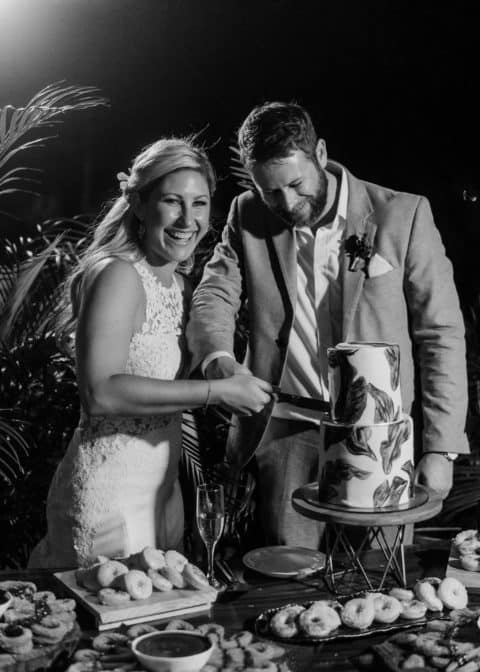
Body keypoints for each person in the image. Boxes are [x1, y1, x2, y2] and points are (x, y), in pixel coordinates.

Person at [186, 102, 469, 549]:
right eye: (270, 191)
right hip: (286, 431)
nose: (286, 203)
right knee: (288, 577)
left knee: (378, 575)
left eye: (296, 185)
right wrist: (219, 361)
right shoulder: (248, 214)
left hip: (380, 438)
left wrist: (441, 448)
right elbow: (214, 294)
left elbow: (441, 334)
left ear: (319, 153)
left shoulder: (404, 215)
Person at [28, 137, 272, 569]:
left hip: (163, 496)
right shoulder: (118, 275)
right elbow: (100, 392)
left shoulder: (180, 285)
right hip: (110, 498)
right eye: (172, 202)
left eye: (199, 204)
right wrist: (217, 392)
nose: (188, 219)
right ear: (139, 204)